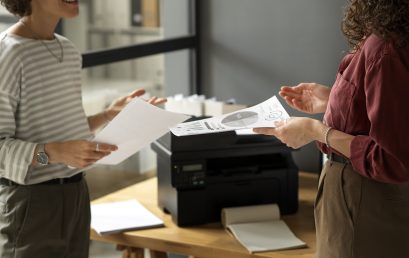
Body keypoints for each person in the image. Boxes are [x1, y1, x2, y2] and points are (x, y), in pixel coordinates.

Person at [0, 0, 165, 257]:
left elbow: (62, 132)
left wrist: (108, 115)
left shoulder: (68, 50)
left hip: (77, 194)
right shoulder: (8, 55)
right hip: (30, 203)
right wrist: (54, 153)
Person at [253, 0, 409, 257]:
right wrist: (335, 100)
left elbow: (392, 159)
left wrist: (315, 130)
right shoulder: (392, 34)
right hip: (360, 201)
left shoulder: (386, 46)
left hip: (365, 203)